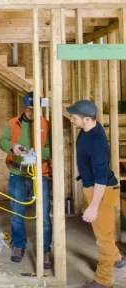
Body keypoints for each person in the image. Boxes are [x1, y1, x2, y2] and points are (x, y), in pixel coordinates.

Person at [67, 100, 125, 288]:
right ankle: (117, 259)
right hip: (93, 188)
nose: (71, 119)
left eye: (75, 117)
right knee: (103, 232)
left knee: (104, 238)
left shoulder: (97, 142)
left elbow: (101, 177)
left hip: (102, 191)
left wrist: (93, 206)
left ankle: (103, 281)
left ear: (86, 119)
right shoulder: (87, 130)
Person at [0, 92, 52, 269]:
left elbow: (52, 149)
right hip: (18, 173)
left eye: (35, 110)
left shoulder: (46, 124)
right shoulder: (13, 123)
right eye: (29, 110)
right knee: (17, 213)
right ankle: (19, 245)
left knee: (44, 216)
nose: (31, 113)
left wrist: (37, 154)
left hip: (39, 174)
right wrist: (12, 146)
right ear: (24, 108)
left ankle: (44, 250)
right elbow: (2, 141)